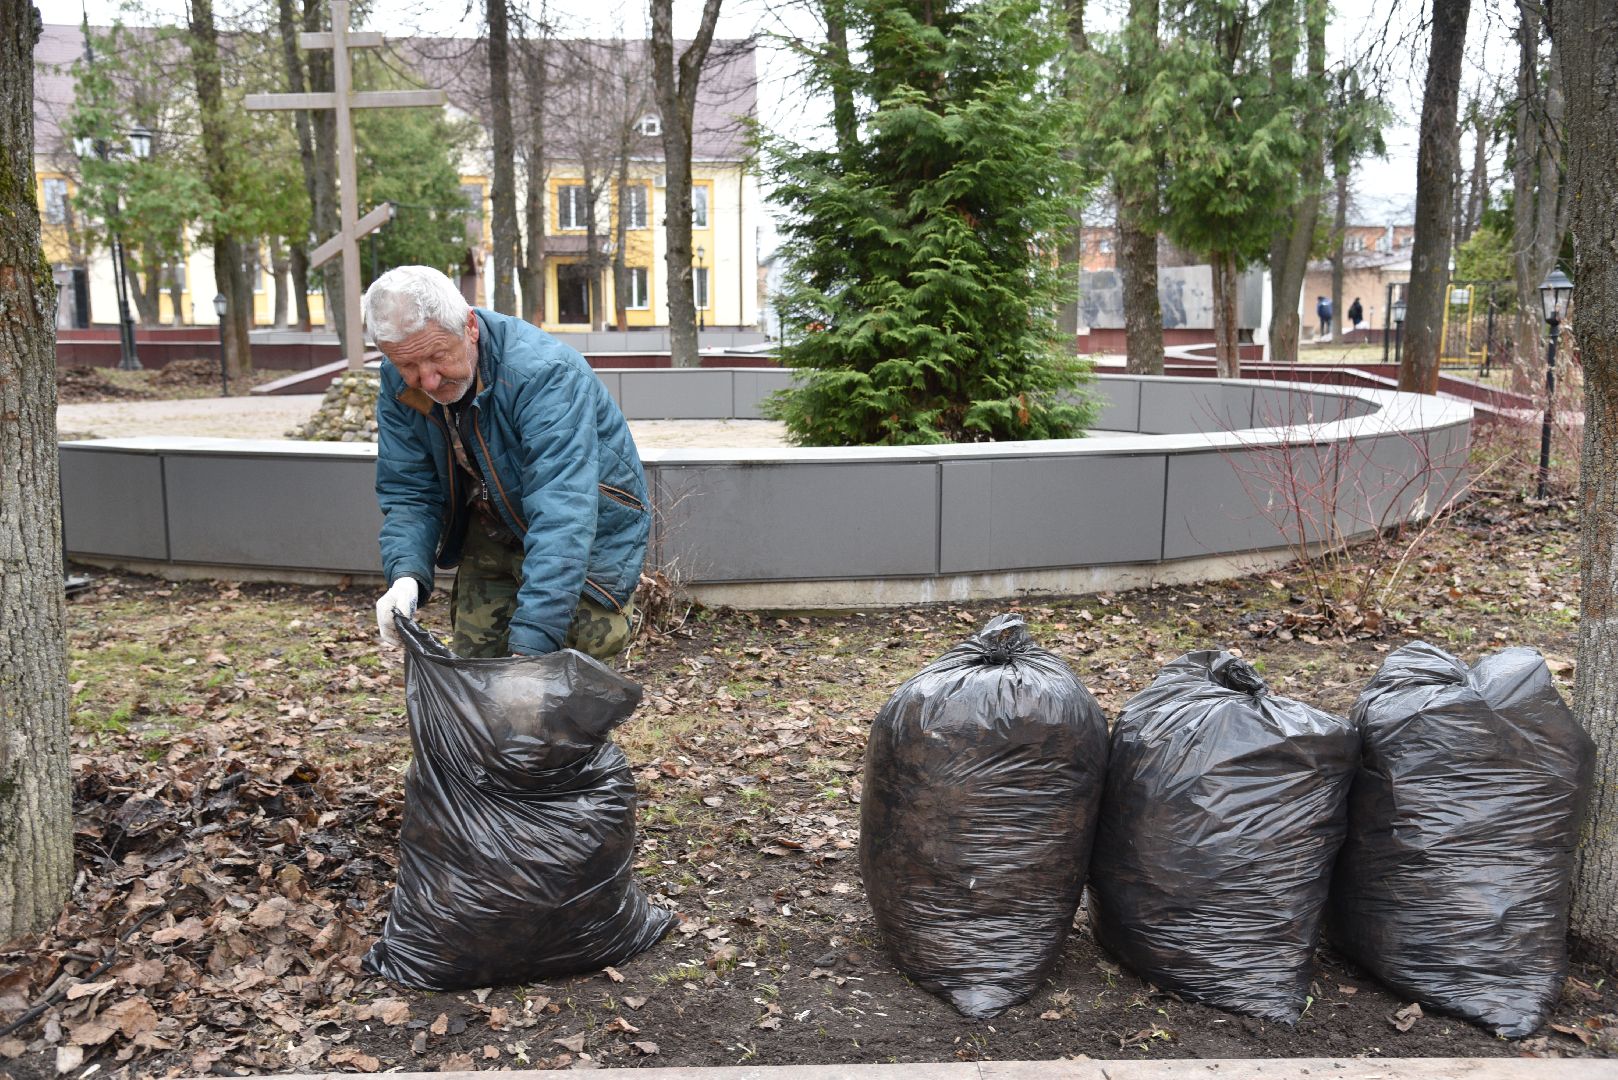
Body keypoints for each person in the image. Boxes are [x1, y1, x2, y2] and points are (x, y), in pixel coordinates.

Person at [366, 265, 649, 662]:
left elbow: (562, 509)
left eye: (437, 357)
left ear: (470, 327)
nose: (426, 381)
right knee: (478, 666)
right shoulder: (399, 384)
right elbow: (410, 489)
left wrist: (530, 648)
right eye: (407, 365)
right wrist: (406, 577)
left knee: (567, 669)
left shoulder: (543, 374)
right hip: (490, 526)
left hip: (583, 529)